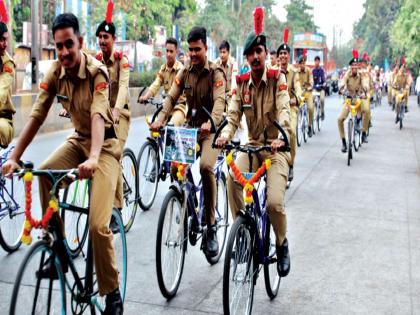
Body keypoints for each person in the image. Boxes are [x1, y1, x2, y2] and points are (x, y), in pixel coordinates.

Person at [2, 13, 123, 314]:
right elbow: (37, 114)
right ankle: (57, 242)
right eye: (59, 46)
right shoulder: (55, 72)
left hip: (105, 147)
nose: (65, 52)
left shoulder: (98, 73)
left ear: (80, 42)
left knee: (97, 226)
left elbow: (97, 115)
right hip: (78, 141)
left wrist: (94, 157)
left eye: (69, 44)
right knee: (44, 173)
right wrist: (15, 156)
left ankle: (113, 293)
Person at [215, 7, 291, 277]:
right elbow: (233, 115)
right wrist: (225, 136)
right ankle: (243, 232)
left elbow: (284, 109)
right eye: (251, 54)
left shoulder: (276, 79)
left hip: (276, 149)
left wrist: (282, 137)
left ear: (266, 55)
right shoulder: (241, 82)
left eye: (260, 52)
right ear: (246, 58)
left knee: (273, 204)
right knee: (232, 179)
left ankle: (282, 244)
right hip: (252, 146)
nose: (256, 57)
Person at [150, 26, 226, 258]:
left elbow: (220, 102)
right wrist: (160, 119)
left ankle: (210, 225)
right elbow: (171, 97)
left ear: (205, 48)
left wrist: (212, 122)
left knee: (205, 167)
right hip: (191, 130)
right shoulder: (184, 72)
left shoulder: (216, 72)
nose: (193, 54)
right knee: (175, 166)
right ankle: (188, 202)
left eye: (197, 50)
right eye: (190, 50)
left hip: (209, 131)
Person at [95, 2, 130, 216]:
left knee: (115, 154)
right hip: (102, 116)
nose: (102, 41)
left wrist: (116, 109)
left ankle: (117, 207)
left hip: (121, 116)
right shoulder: (95, 61)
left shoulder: (121, 61)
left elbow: (124, 85)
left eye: (105, 37)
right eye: (99, 37)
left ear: (113, 40)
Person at [139, 37, 187, 126]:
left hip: (179, 107)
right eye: (167, 51)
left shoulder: (181, 70)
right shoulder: (163, 69)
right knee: (154, 129)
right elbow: (156, 84)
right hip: (166, 107)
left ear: (176, 52)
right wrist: (146, 96)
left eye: (171, 51)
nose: (168, 54)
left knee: (171, 127)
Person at [277, 27, 302, 183]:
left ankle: (290, 164)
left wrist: (296, 99)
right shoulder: (273, 71)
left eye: (285, 53)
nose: (283, 56)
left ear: (289, 56)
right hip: (276, 109)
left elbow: (298, 88)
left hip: (290, 108)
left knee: (291, 132)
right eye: (280, 54)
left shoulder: (294, 72)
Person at [337, 50, 364, 153]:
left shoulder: (361, 75)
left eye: (356, 65)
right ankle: (344, 142)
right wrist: (342, 89)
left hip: (357, 97)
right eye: (353, 66)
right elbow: (343, 82)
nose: (354, 67)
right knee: (340, 119)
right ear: (350, 67)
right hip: (348, 99)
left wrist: (364, 92)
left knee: (361, 103)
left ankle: (358, 121)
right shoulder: (347, 74)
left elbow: (364, 85)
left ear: (358, 67)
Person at [0, 2, 15, 149]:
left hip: (3, 121)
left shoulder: (7, 63)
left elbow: (1, 93)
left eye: (6, 39)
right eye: (1, 40)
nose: (5, 44)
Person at [297, 52, 314, 136]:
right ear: (299, 64)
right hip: (299, 93)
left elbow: (311, 80)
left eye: (304, 63)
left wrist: (310, 86)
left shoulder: (308, 70)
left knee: (310, 108)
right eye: (301, 63)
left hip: (307, 92)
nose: (303, 65)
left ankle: (310, 125)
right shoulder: (296, 72)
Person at [312, 55, 326, 120]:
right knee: (312, 98)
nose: (316, 62)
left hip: (321, 89)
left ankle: (322, 111)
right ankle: (314, 110)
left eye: (318, 61)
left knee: (322, 99)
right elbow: (311, 80)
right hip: (315, 88)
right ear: (314, 62)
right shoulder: (313, 71)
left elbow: (324, 79)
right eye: (315, 61)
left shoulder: (322, 70)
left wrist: (324, 83)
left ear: (319, 62)